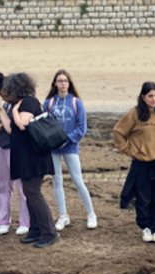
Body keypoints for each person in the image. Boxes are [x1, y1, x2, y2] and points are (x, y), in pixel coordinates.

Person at [0, 72, 60, 248]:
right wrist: (2, 111)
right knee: (29, 192)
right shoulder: (17, 104)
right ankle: (36, 229)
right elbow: (10, 129)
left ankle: (49, 231)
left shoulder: (29, 102)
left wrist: (15, 111)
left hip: (34, 156)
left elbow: (23, 124)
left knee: (33, 192)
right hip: (24, 156)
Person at [114, 82, 155, 243]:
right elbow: (118, 132)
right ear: (143, 97)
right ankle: (146, 227)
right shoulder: (134, 114)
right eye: (150, 96)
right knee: (143, 198)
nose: (153, 99)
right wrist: (129, 150)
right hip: (141, 164)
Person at [43, 69, 97, 231]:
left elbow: (82, 128)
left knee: (77, 180)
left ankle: (91, 214)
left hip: (70, 147)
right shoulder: (49, 103)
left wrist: (66, 139)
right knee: (57, 181)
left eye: (65, 80)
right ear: (55, 83)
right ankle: (63, 215)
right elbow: (43, 125)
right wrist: (52, 142)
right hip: (53, 149)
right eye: (59, 81)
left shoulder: (76, 103)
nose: (62, 83)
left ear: (69, 83)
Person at [0, 72, 30, 236]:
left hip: (18, 149)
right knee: (2, 185)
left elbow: (18, 126)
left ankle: (25, 221)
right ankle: (3, 220)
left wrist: (2, 123)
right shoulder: (6, 105)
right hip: (3, 146)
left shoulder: (22, 104)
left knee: (22, 187)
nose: (3, 96)